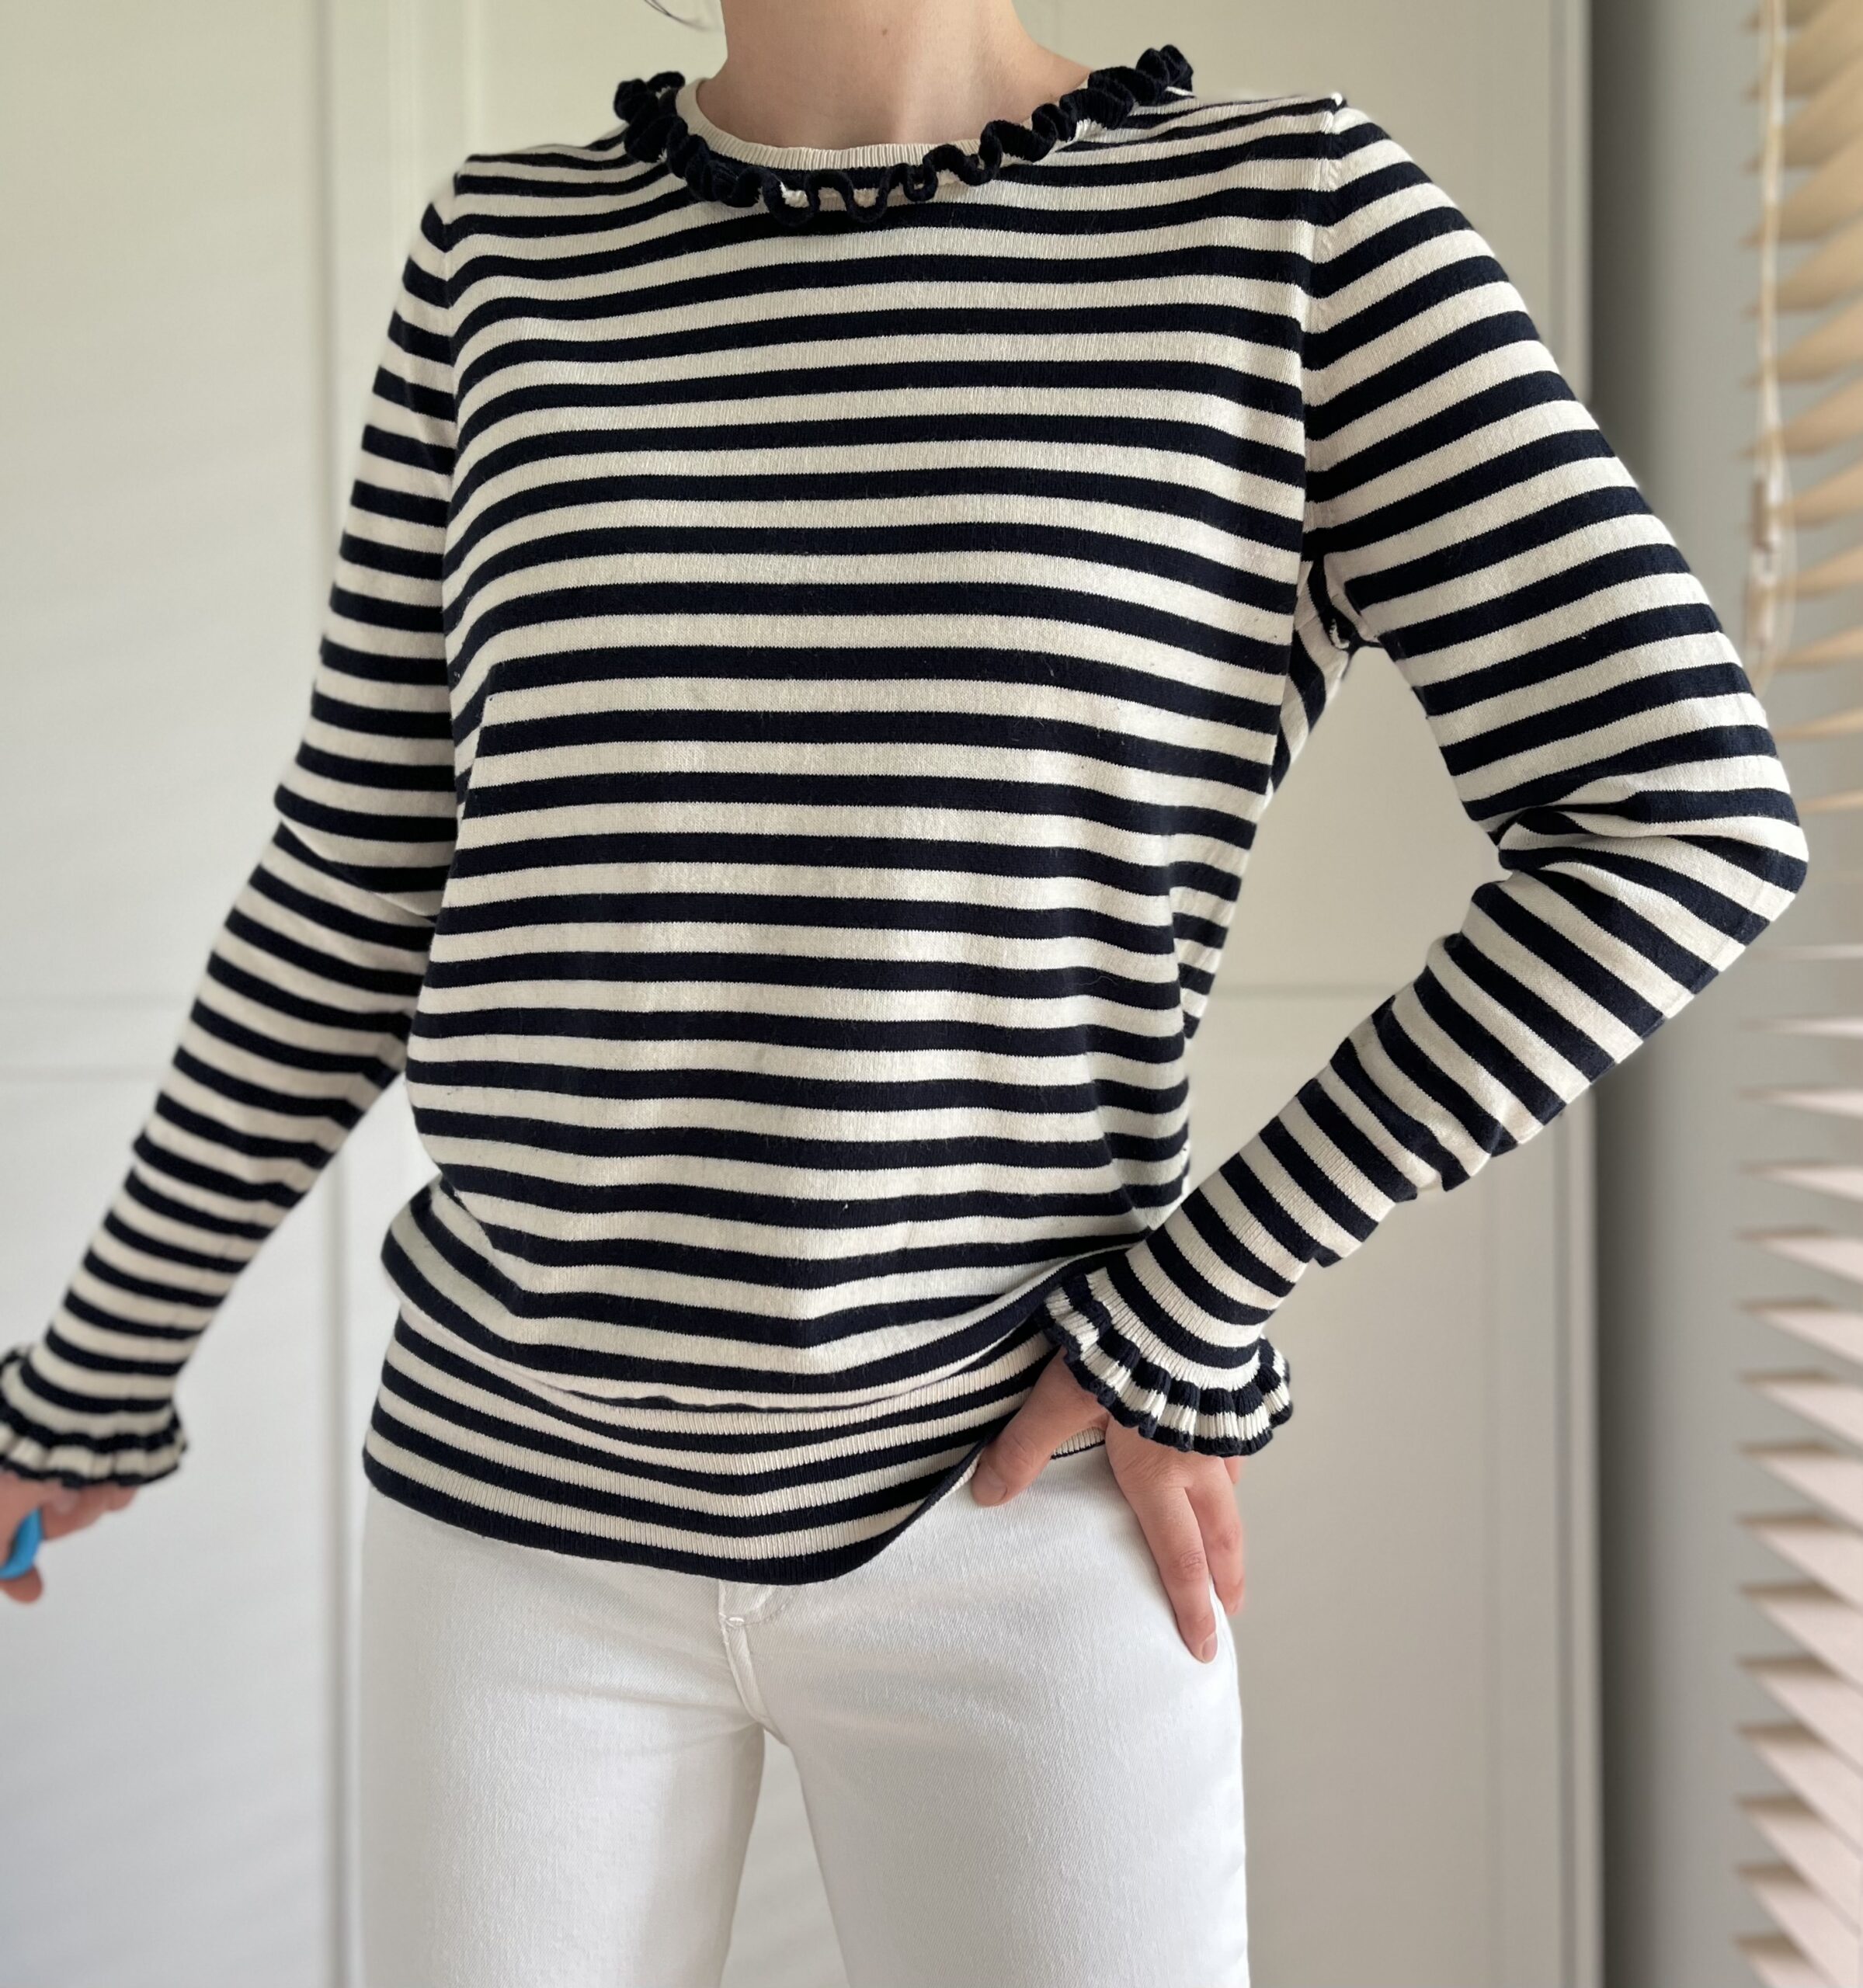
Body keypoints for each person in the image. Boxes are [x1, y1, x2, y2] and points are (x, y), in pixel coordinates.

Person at [0, 2, 1809, 1983]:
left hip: (1018, 1520)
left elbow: (1678, 819)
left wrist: (1196, 1293)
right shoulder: (502, 258)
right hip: (509, 1518)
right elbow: (354, 884)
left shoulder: (1290, 222)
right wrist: (92, 1377)